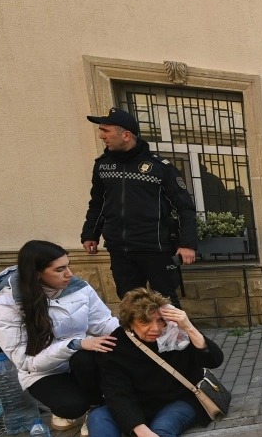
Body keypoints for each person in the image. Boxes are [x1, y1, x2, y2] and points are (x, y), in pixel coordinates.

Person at [67, 288, 224, 437]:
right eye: (145, 322)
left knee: (163, 427)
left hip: (180, 399)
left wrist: (188, 327)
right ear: (130, 323)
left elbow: (214, 360)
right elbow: (116, 394)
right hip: (138, 404)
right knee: (100, 416)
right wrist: (142, 432)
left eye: (160, 320)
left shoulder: (176, 334)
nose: (156, 329)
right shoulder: (116, 345)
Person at [0, 240, 119, 436]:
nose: (69, 274)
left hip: (81, 362)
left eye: (68, 265)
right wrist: (75, 344)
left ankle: (96, 408)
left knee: (85, 358)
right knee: (72, 406)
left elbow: (103, 323)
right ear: (37, 273)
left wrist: (139, 333)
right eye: (60, 269)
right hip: (42, 372)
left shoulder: (79, 288)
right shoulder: (7, 306)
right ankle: (75, 406)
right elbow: (24, 361)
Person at [80, 107, 199, 306]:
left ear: (126, 135)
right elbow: (98, 203)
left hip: (155, 248)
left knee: (166, 304)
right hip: (119, 248)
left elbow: (185, 207)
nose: (101, 136)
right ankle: (137, 338)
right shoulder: (102, 165)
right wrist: (90, 233)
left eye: (106, 131)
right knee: (130, 305)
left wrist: (187, 244)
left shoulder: (160, 167)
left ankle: (178, 338)